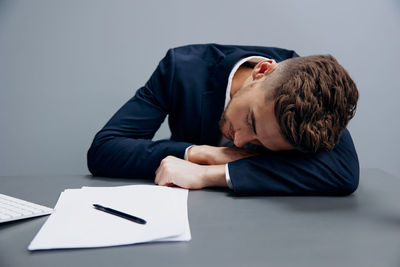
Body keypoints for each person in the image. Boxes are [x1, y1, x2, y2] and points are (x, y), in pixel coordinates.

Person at [87, 43, 359, 195]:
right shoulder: (180, 69)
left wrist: (212, 173)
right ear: (262, 71)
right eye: (251, 122)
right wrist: (200, 152)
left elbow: (344, 173)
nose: (238, 140)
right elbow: (104, 150)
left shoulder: (316, 98)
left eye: (261, 145)